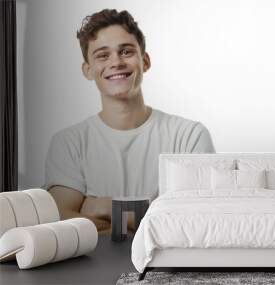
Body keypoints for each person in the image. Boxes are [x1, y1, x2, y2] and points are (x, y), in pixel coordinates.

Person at [44, 9, 215, 233]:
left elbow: (198, 222)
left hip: (170, 268)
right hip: (92, 267)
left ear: (145, 61)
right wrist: (146, 220)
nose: (116, 62)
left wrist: (103, 207)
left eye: (126, 51)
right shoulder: (68, 143)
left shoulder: (189, 136)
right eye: (102, 55)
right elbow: (59, 222)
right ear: (88, 70)